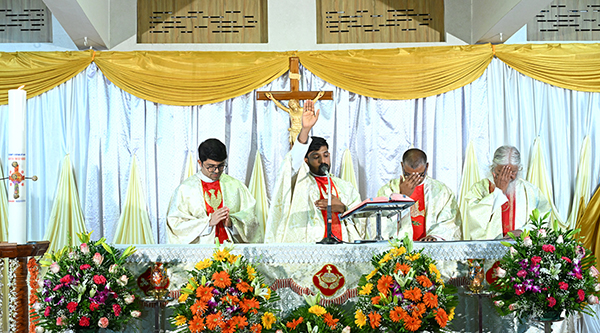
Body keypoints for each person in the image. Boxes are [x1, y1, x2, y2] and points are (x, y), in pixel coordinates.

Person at [264, 100, 363, 243]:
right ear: (306, 160)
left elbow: (362, 218)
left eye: (326, 155)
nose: (323, 161)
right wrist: (305, 130)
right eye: (316, 157)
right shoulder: (298, 181)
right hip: (310, 247)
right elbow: (293, 162)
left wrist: (343, 208)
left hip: (343, 246)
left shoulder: (344, 187)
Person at [166, 139, 261, 244]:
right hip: (201, 251)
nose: (216, 171)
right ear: (200, 163)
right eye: (211, 167)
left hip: (231, 249)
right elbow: (176, 225)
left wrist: (232, 223)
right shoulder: (185, 190)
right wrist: (208, 222)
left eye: (221, 166)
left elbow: (251, 219)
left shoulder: (235, 186)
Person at [463, 145, 551, 240]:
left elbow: (543, 214)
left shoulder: (530, 190)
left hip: (521, 246)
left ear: (519, 169)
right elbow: (475, 219)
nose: (507, 177)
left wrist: (523, 231)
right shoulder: (480, 188)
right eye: (501, 172)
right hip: (489, 247)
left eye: (512, 172)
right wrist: (498, 191)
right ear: (493, 168)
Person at [377, 149, 462, 241]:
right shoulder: (388, 190)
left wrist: (435, 236)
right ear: (402, 166)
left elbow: (450, 221)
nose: (415, 179)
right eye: (408, 174)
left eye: (420, 175)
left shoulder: (441, 191)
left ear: (427, 167)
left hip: (429, 247)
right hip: (399, 248)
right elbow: (382, 222)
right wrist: (402, 197)